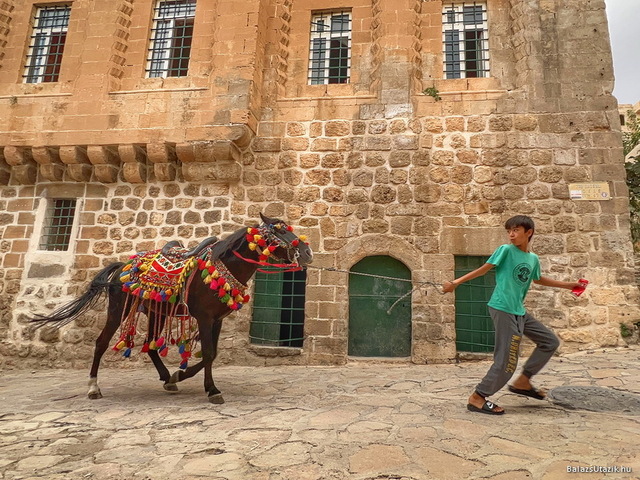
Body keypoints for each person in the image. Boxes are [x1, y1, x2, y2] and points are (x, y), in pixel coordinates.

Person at [442, 215, 585, 415]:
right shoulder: (506, 250)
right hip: (502, 308)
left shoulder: (532, 258)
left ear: (529, 232)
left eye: (516, 230)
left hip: (519, 310)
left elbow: (537, 279)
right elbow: (484, 270)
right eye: (509, 230)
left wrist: (568, 285)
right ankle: (478, 397)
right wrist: (456, 283)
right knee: (507, 361)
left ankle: (523, 382)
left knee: (549, 341)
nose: (511, 234)